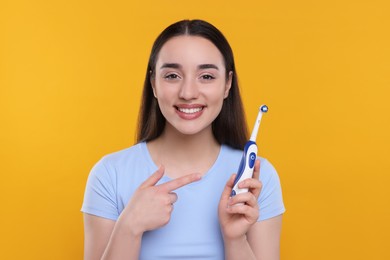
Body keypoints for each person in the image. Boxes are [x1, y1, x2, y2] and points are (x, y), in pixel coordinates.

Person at [81, 19, 285, 260]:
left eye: (206, 76)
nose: (188, 93)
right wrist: (129, 227)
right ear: (153, 84)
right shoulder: (109, 174)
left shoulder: (257, 181)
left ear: (227, 84)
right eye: (172, 76)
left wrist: (235, 239)